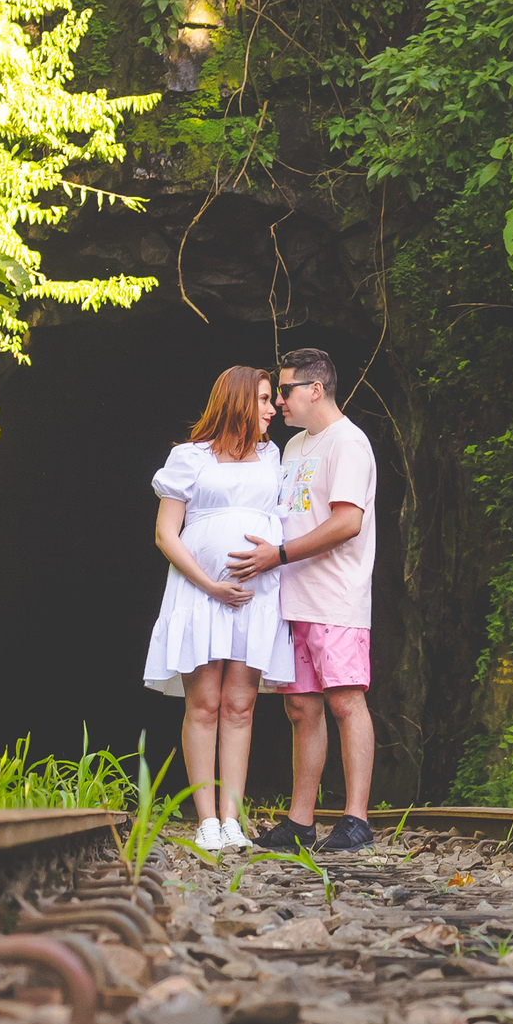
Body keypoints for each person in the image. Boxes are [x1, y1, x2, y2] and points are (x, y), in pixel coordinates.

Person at [225, 346, 377, 853]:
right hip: (292, 599)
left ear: (316, 389)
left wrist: (279, 554)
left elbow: (347, 521)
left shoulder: (347, 443)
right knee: (300, 710)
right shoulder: (294, 449)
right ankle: (301, 821)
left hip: (336, 597)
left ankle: (356, 819)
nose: (279, 403)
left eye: (285, 391)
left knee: (345, 700)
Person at [144, 365, 294, 851]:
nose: (274, 408)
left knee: (240, 705)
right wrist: (211, 584)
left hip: (255, 597)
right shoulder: (190, 457)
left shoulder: (274, 457)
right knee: (204, 704)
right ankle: (206, 818)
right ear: (237, 402)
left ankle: (232, 817)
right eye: (266, 399)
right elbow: (166, 533)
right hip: (200, 594)